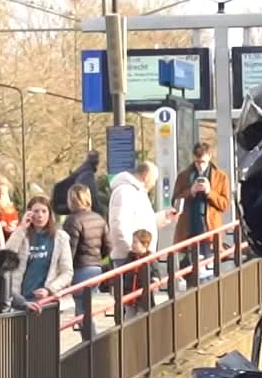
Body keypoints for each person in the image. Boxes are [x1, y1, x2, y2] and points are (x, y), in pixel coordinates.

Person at [106, 161, 177, 322]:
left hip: (141, 255)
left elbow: (144, 222)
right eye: (154, 179)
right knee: (131, 303)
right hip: (129, 257)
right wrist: (132, 249)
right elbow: (118, 225)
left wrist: (163, 218)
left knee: (142, 303)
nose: (154, 184)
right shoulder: (124, 192)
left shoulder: (139, 193)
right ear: (146, 176)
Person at [173, 141, 231, 285]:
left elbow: (225, 205)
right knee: (192, 271)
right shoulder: (184, 176)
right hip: (189, 229)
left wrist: (209, 192)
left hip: (210, 232)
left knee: (209, 271)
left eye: (203, 162)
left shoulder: (221, 177)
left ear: (210, 157)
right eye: (198, 162)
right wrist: (190, 191)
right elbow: (175, 202)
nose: (200, 166)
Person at [60, 183, 113, 335]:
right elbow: (108, 247)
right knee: (87, 307)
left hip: (79, 269)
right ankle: (91, 342)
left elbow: (69, 250)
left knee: (82, 309)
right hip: (96, 269)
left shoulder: (72, 221)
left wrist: (64, 273)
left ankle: (91, 344)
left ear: (71, 200)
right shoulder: (99, 219)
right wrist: (97, 258)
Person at [7, 195, 74, 308]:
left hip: (47, 301)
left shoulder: (60, 237)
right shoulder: (22, 236)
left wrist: (49, 289)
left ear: (49, 214)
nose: (40, 215)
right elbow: (6, 254)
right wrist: (22, 228)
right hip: (22, 300)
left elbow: (67, 272)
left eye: (44, 211)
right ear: (29, 213)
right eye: (36, 211)